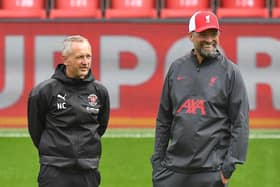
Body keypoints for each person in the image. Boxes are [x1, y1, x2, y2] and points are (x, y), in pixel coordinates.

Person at [151, 10, 249, 187]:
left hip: (210, 171)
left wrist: (227, 168)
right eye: (203, 34)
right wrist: (157, 162)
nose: (210, 39)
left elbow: (240, 123)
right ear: (191, 36)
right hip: (173, 170)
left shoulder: (230, 72)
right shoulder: (176, 68)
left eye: (214, 33)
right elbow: (164, 119)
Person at [28, 35, 110, 187]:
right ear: (65, 60)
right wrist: (55, 152)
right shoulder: (44, 91)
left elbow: (101, 127)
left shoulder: (100, 91)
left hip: (88, 170)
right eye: (79, 57)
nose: (85, 62)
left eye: (88, 56)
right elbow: (36, 129)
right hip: (54, 170)